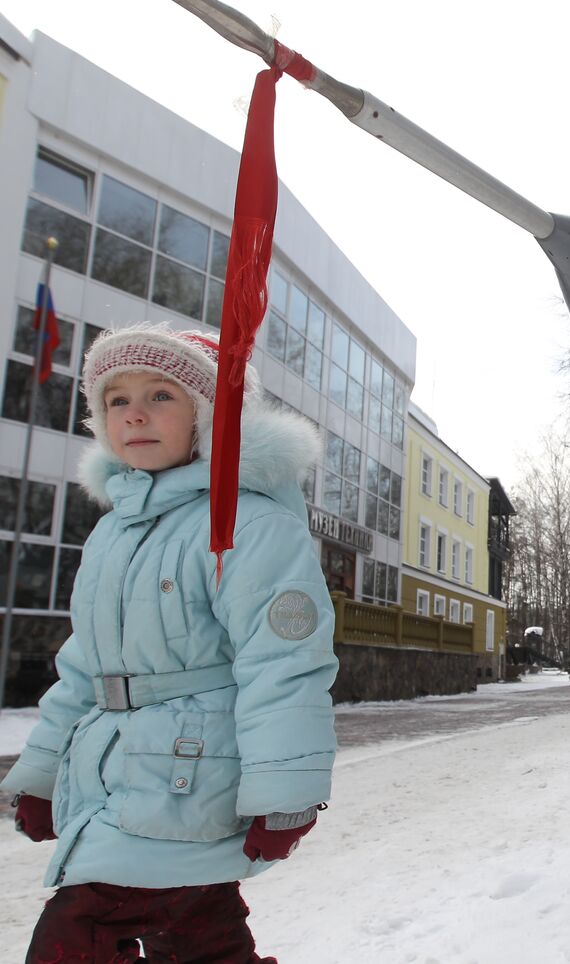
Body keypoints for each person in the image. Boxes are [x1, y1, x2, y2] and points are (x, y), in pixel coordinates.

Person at [3, 325, 338, 961]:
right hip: (114, 776)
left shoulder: (247, 522)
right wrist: (44, 775)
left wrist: (287, 791)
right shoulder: (113, 533)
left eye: (161, 395)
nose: (133, 413)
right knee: (199, 942)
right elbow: (84, 669)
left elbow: (285, 663)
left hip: (190, 779)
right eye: (114, 400)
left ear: (211, 419)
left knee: (80, 934)